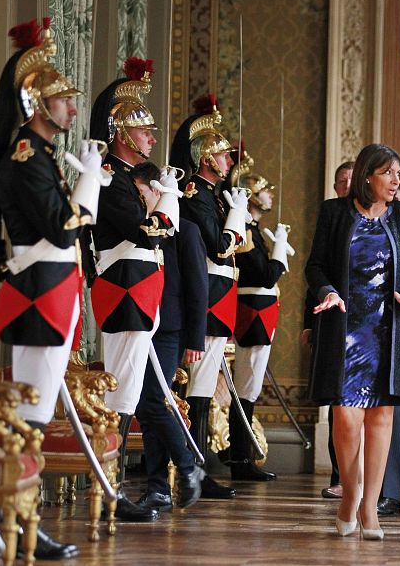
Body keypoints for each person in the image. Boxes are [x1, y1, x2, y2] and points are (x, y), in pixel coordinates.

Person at [0, 18, 109, 559]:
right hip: (38, 298)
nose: (73, 110)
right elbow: (61, 227)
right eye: (64, 101)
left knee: (37, 415)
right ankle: (22, 525)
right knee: (31, 417)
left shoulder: (44, 157)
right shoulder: (25, 159)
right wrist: (89, 182)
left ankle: (27, 523)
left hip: (53, 293)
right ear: (37, 103)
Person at [306, 143, 400, 540]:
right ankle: (349, 497)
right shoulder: (335, 212)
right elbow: (316, 265)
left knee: (381, 417)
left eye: (398, 173)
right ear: (367, 176)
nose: (396, 181)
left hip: (388, 327)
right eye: (388, 173)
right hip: (346, 325)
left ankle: (371, 508)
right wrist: (326, 290)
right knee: (346, 416)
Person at [89, 57, 181, 522]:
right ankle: (109, 489)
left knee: (131, 392)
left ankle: (113, 486)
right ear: (123, 135)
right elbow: (146, 232)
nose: (152, 138)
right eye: (145, 131)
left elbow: (158, 231)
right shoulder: (112, 181)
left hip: (139, 290)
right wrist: (163, 207)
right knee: (121, 394)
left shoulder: (127, 180)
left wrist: (159, 210)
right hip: (124, 290)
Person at [171, 96, 246, 499]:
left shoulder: (213, 194)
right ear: (205, 158)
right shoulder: (197, 194)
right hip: (208, 295)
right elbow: (220, 247)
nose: (228, 161)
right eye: (222, 154)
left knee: (203, 386)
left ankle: (198, 467)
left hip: (219, 295)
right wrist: (236, 222)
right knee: (197, 386)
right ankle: (193, 468)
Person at [130, 161, 209, 512]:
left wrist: (196, 339)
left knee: (152, 403)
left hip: (170, 329)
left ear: (156, 191)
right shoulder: (138, 229)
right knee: (147, 410)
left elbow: (198, 287)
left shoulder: (186, 230)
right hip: (139, 322)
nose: (138, 197)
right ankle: (159, 487)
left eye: (141, 191)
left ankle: (189, 465)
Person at [229, 152, 291, 480]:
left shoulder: (255, 229)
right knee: (246, 387)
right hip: (252, 313)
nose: (270, 195)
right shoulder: (246, 232)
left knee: (250, 388)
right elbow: (265, 276)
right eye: (265, 189)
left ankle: (243, 457)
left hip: (261, 312)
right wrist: (280, 252)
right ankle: (239, 460)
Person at [306, 161, 353, 499]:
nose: (347, 185)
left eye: (352, 180)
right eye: (341, 181)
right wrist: (309, 324)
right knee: (337, 401)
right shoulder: (331, 213)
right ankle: (340, 475)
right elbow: (314, 272)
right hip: (331, 316)